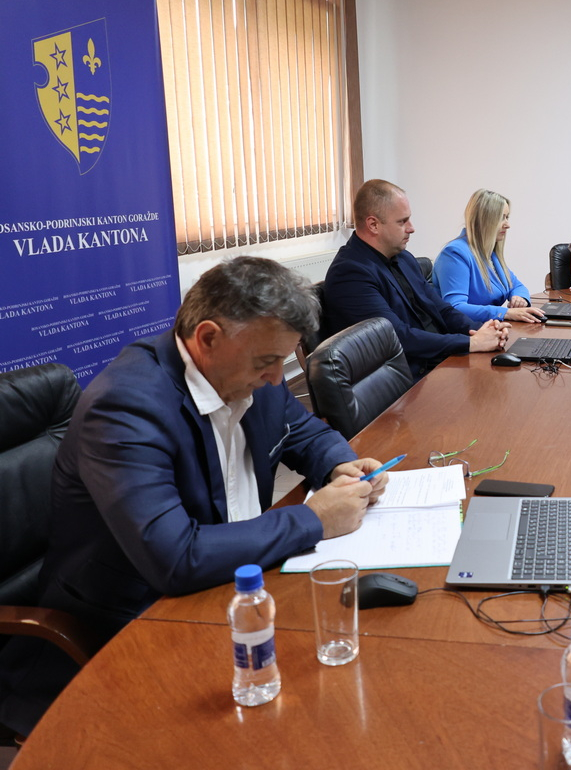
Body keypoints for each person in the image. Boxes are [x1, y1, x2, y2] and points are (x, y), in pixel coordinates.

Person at [0, 257, 388, 737]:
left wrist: (338, 463)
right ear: (207, 338)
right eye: (266, 362)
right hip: (131, 626)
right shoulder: (126, 407)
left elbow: (302, 430)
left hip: (236, 588)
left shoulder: (249, 373)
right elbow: (175, 556)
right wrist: (315, 519)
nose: (275, 377)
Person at [324, 179, 509, 378]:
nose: (411, 228)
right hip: (409, 376)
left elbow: (442, 309)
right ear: (373, 225)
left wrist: (481, 330)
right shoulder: (351, 273)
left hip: (438, 358)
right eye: (402, 222)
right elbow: (397, 336)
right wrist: (471, 342)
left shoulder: (403, 258)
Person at [433, 189, 545, 323]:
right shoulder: (454, 254)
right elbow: (456, 308)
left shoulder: (488, 254)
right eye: (501, 218)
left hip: (488, 327)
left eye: (507, 217)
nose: (507, 225)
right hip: (468, 332)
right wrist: (506, 313)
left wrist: (519, 298)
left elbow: (516, 286)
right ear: (484, 220)